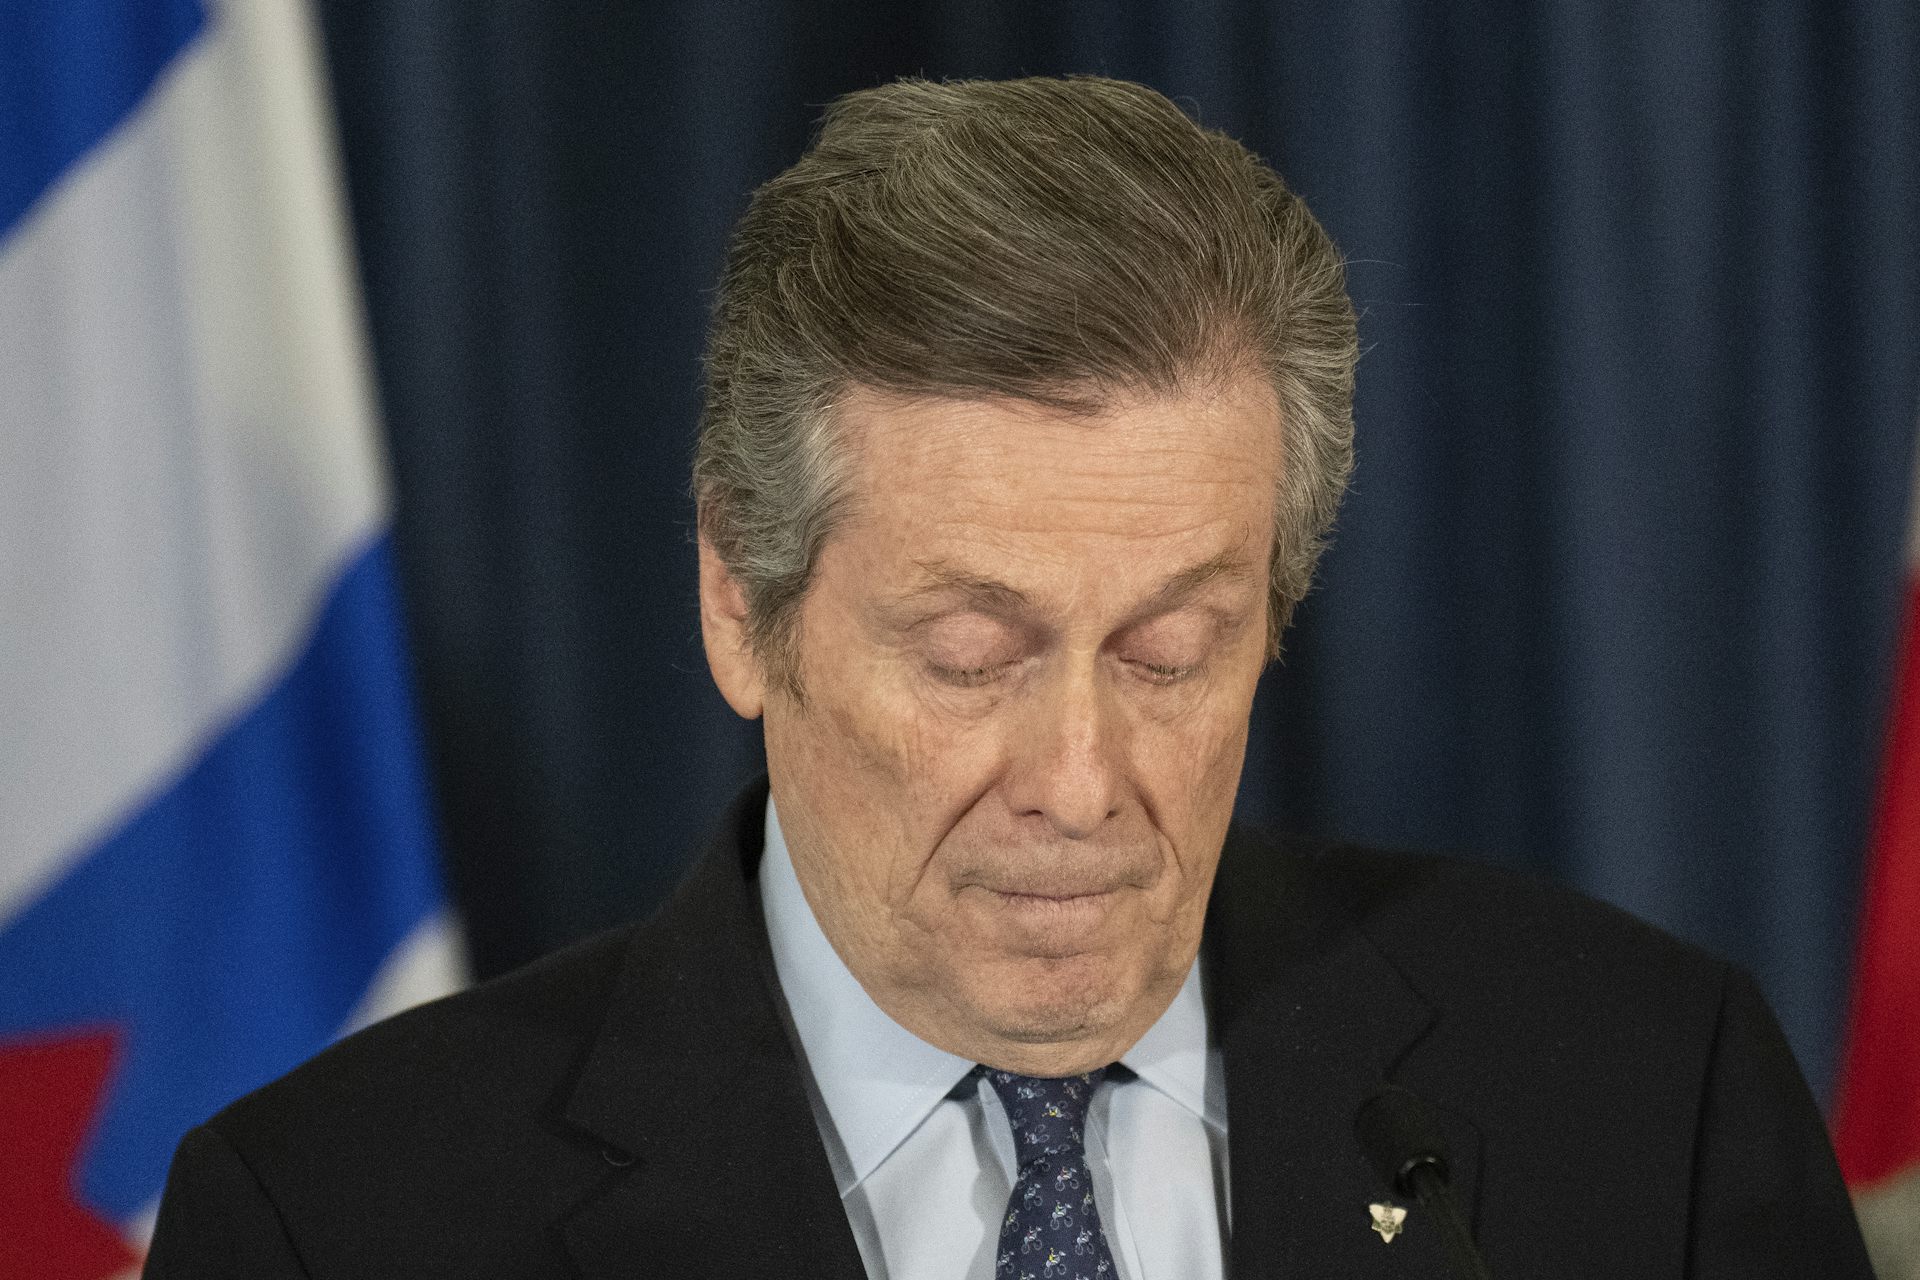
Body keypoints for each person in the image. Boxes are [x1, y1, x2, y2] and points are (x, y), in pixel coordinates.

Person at [144, 76, 1871, 1280]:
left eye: (1172, 651)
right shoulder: (339, 1222)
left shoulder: (1649, 1096)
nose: (1077, 776)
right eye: (972, 655)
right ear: (741, 604)